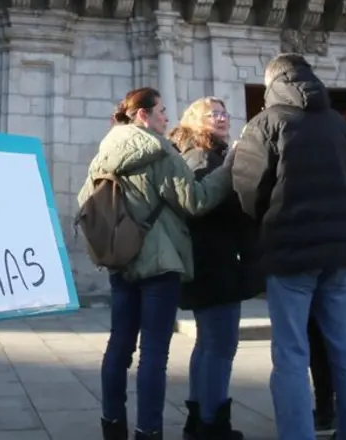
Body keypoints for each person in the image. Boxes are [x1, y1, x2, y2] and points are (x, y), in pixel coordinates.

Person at [229, 53, 346, 440]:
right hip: (342, 256)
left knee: (292, 355)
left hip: (290, 255)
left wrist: (263, 224)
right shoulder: (339, 125)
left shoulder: (265, 123)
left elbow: (247, 188)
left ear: (271, 83)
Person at [80, 87, 233, 440]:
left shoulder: (103, 153)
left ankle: (112, 424)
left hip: (121, 259)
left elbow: (87, 201)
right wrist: (227, 169)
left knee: (119, 346)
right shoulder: (160, 151)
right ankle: (148, 431)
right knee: (153, 354)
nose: (167, 117)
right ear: (142, 116)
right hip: (159, 263)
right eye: (162, 111)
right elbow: (196, 200)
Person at [169, 97, 261, 440]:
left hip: (207, 261)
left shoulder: (203, 152)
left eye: (224, 112)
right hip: (214, 262)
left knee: (208, 344)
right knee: (221, 346)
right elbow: (205, 205)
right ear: (196, 119)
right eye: (213, 113)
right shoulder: (204, 156)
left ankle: (198, 419)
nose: (221, 117)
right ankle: (213, 423)